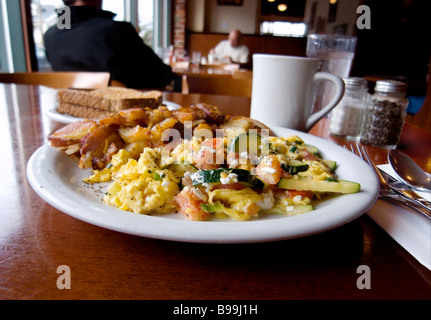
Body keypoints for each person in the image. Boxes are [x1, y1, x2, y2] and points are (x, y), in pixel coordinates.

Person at [44, 0, 178, 90]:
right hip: (123, 119)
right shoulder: (114, 30)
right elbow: (162, 76)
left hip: (71, 115)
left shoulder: (50, 35)